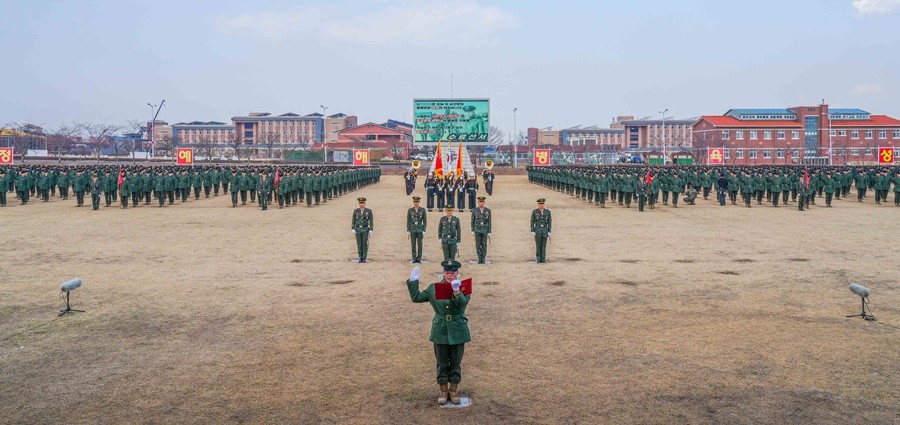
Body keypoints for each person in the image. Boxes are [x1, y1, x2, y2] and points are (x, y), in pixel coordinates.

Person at [406, 260, 471, 405]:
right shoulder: (433, 288)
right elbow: (416, 298)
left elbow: (462, 304)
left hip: (458, 330)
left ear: (457, 273)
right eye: (447, 272)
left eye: (453, 272)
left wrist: (456, 292)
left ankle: (453, 390)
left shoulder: (464, 286)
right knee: (441, 363)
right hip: (440, 329)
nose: (450, 275)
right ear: (443, 273)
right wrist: (413, 281)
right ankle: (443, 390)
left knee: (455, 362)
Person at [351, 197, 374, 263]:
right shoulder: (356, 211)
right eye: (360, 203)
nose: (361, 204)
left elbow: (371, 220)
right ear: (358, 203)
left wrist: (371, 229)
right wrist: (352, 228)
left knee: (364, 243)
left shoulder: (368, 211)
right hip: (358, 229)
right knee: (359, 244)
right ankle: (360, 257)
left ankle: (364, 257)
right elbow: (353, 220)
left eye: (362, 203)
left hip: (365, 229)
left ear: (365, 203)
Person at [470, 196, 491, 263]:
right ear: (478, 202)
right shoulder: (474, 210)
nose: (481, 203)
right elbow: (472, 221)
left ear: (484, 202)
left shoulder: (488, 210)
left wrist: (489, 231)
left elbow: (490, 221)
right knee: (478, 244)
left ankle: (483, 258)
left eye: (482, 202)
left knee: (484, 244)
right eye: (480, 202)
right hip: (477, 229)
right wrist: (472, 230)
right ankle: (479, 258)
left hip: (485, 229)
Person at [530, 198, 552, 263]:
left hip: (545, 230)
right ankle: (538, 259)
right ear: (538, 204)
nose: (541, 205)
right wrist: (532, 230)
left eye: (542, 204)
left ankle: (543, 259)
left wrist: (549, 231)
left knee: (544, 246)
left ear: (544, 204)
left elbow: (550, 222)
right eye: (540, 204)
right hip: (538, 230)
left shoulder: (548, 212)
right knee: (538, 245)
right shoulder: (535, 212)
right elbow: (532, 221)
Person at [407, 196, 427, 263]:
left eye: (417, 202)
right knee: (413, 244)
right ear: (413, 202)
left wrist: (424, 230)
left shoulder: (422, 210)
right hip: (412, 229)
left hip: (420, 229)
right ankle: (413, 257)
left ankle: (419, 258)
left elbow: (424, 221)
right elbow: (408, 220)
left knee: (420, 244)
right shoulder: (410, 210)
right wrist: (408, 230)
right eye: (415, 202)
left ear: (419, 202)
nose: (416, 203)